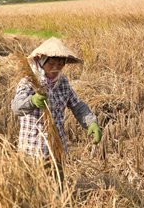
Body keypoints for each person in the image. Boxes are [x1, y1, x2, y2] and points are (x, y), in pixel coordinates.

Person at [11, 37, 102, 181]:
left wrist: (91, 122)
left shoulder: (62, 83)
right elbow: (16, 107)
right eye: (51, 63)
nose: (56, 68)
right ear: (41, 61)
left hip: (56, 148)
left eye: (60, 64)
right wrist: (32, 101)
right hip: (32, 149)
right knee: (33, 191)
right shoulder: (29, 82)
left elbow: (77, 105)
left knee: (57, 187)